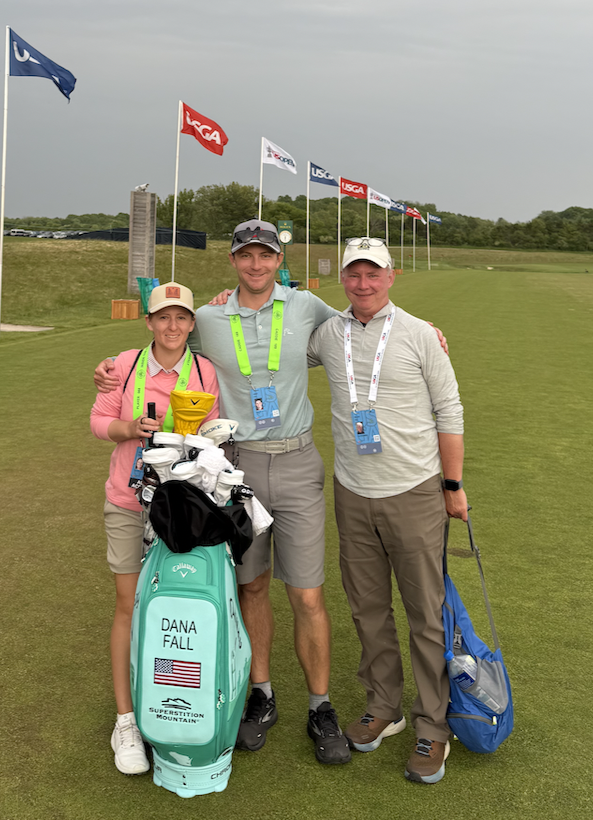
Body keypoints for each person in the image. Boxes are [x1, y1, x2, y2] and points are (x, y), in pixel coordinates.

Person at [96, 220, 351, 764]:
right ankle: (261, 695)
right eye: (246, 256)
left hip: (299, 459)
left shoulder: (305, 305)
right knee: (251, 588)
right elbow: (164, 340)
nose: (256, 265)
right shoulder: (210, 317)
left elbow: (357, 326)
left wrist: (423, 327)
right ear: (234, 261)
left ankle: (320, 706)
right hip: (235, 470)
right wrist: (111, 370)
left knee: (306, 593)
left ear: (280, 259)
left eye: (266, 256)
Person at [307, 237, 468, 784]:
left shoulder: (421, 335)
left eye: (373, 273)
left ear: (391, 276)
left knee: (425, 614)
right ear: (343, 279)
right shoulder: (328, 333)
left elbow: (449, 408)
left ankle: (433, 727)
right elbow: (272, 344)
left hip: (415, 490)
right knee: (367, 608)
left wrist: (452, 484)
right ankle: (385, 707)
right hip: (353, 491)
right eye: (353, 273)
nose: (363, 283)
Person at [90, 282, 220, 775]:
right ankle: (125, 720)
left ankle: (177, 701)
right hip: (127, 500)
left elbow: (214, 429)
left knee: (178, 604)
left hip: (181, 505)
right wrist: (130, 430)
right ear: (149, 322)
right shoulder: (123, 366)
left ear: (192, 324)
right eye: (163, 317)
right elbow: (98, 422)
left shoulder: (204, 370)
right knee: (129, 603)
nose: (172, 327)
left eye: (182, 318)